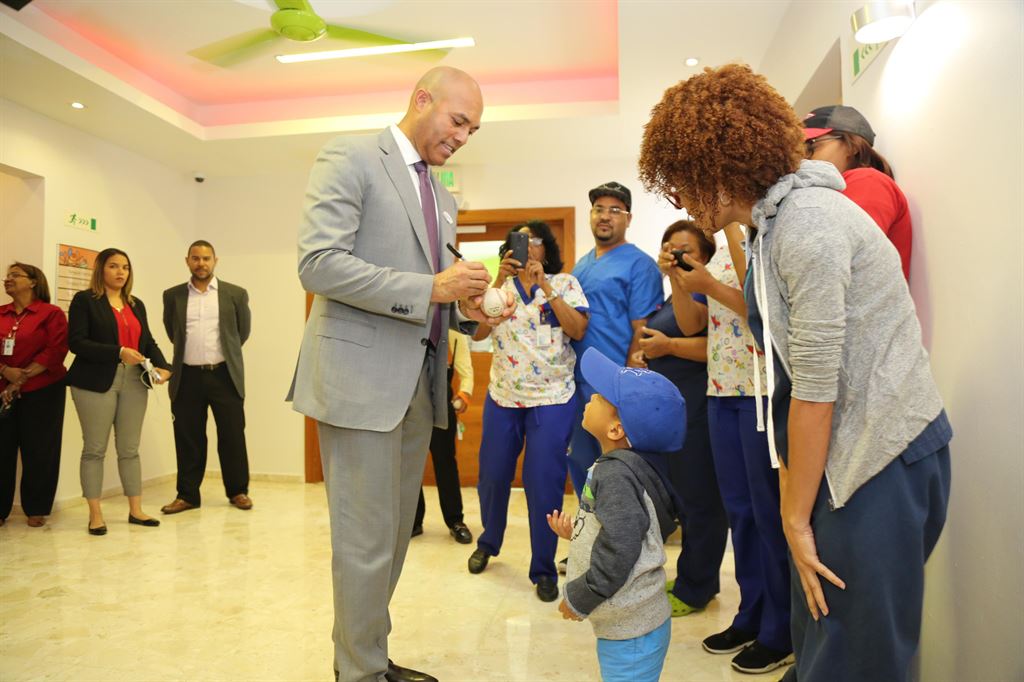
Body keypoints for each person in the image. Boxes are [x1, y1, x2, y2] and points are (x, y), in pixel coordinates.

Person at [638, 63, 951, 682]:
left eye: (680, 183)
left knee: (855, 657)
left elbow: (814, 385)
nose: (680, 199)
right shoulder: (771, 225)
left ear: (717, 166)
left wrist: (794, 515)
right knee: (820, 638)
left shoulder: (807, 225)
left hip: (878, 455)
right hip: (845, 451)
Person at [288, 66, 513, 682]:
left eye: (474, 128)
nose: (464, 135)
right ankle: (356, 673)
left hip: (419, 386)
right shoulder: (351, 155)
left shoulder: (440, 191)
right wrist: (433, 286)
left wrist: (470, 316)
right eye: (457, 120)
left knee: (388, 543)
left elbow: (432, 294)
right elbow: (319, 264)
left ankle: (366, 659)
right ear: (421, 100)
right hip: (359, 383)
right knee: (362, 546)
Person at [654, 220, 793, 674]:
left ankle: (780, 628)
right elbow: (694, 322)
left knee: (767, 514)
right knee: (740, 514)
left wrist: (710, 276)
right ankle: (750, 614)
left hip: (758, 392)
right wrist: (680, 280)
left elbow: (760, 309)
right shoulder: (714, 259)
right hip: (720, 392)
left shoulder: (760, 240)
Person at [467, 221, 589, 602]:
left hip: (552, 399)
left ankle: (544, 568)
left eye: (535, 242)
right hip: (504, 397)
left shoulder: (566, 283)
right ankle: (489, 541)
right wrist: (495, 287)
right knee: (492, 475)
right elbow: (477, 335)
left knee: (543, 483)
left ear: (546, 249)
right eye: (521, 242)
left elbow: (579, 329)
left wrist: (545, 288)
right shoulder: (497, 290)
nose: (528, 248)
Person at [546, 347, 684, 682]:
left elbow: (621, 549)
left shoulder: (617, 476)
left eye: (602, 396)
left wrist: (579, 598)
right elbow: (625, 526)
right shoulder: (629, 469)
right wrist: (579, 532)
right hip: (631, 624)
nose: (592, 394)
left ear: (615, 429)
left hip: (631, 631)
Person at [630, 221, 729, 619]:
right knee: (685, 502)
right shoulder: (670, 299)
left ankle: (697, 586)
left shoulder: (703, 295)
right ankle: (693, 576)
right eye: (670, 249)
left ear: (706, 258)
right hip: (672, 414)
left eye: (687, 251)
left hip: (697, 409)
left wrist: (667, 344)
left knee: (702, 503)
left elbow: (698, 336)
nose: (677, 256)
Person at [567, 182, 663, 501]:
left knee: (616, 465)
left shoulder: (639, 265)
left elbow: (643, 328)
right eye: (598, 209)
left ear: (629, 218)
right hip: (576, 379)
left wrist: (628, 385)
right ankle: (589, 540)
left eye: (615, 210)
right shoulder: (582, 265)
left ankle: (619, 541)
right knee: (581, 462)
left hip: (612, 382)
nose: (605, 216)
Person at [67, 248, 172, 535]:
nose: (120, 272)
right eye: (113, 266)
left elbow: (147, 341)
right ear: (101, 269)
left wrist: (165, 367)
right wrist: (119, 352)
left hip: (135, 381)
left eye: (125, 267)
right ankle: (95, 515)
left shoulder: (135, 304)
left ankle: (136, 511)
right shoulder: (85, 300)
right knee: (95, 450)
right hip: (94, 381)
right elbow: (76, 343)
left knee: (129, 450)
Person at [160, 240, 253, 515]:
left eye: (206, 258)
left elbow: (241, 333)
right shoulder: (172, 295)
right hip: (187, 376)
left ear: (215, 261)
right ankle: (187, 495)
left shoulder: (235, 294)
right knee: (188, 437)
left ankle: (238, 491)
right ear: (187, 260)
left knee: (232, 435)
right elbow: (172, 332)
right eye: (196, 258)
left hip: (225, 375)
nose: (201, 263)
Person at [802, 105, 912, 281]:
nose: (805, 158)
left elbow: (839, 256)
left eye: (812, 146)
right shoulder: (834, 191)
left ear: (851, 146)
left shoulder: (867, 180)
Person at [0, 263, 69, 528]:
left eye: (15, 275)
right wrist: (6, 371)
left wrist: (19, 379)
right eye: (7, 276)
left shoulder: (50, 314)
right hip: (3, 389)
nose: (8, 279)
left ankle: (37, 509)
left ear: (33, 282)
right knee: (2, 450)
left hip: (43, 391)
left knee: (40, 450)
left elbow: (55, 350)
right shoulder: (2, 313)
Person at [412, 328, 474, 543]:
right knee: (409, 464)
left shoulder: (454, 332)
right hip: (410, 405)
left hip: (441, 407)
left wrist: (463, 396)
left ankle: (455, 520)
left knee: (446, 462)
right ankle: (413, 520)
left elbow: (467, 374)